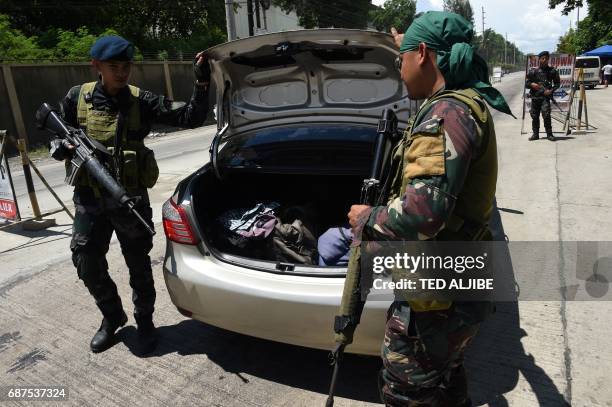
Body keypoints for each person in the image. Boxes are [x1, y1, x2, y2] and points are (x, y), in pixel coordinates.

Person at [346, 12, 513, 406]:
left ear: (422, 54)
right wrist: (405, 40)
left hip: (437, 299)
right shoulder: (466, 103)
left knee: (407, 392)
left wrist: (364, 218)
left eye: (400, 58)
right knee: (446, 382)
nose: (398, 70)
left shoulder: (445, 114)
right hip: (458, 285)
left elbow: (422, 215)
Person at [49, 35, 210, 354]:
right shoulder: (75, 98)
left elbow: (190, 117)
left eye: (126, 66)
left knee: (138, 265)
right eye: (113, 67)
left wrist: (201, 82)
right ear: (96, 66)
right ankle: (112, 317)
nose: (121, 72)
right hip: (89, 202)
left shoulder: (142, 100)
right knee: (86, 261)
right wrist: (61, 148)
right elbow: (57, 134)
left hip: (130, 200)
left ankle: (145, 321)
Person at [525, 51, 560, 141]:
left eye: (546, 58)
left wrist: (550, 91)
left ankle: (549, 134)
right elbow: (526, 83)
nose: (544, 60)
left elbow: (557, 84)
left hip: (545, 98)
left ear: (548, 59)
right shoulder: (533, 71)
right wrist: (532, 84)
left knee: (546, 115)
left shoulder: (552, 71)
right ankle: (535, 134)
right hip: (535, 98)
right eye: (542, 58)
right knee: (535, 116)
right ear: (539, 59)